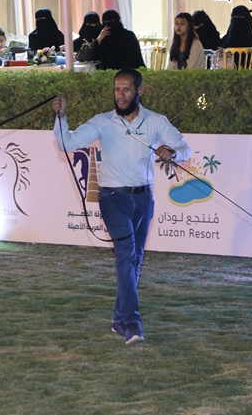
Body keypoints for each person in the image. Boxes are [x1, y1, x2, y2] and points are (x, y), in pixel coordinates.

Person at [51, 69, 191, 345]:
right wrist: (61, 117)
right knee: (126, 254)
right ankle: (132, 321)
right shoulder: (103, 122)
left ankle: (118, 319)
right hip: (112, 197)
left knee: (134, 260)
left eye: (127, 89)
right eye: (117, 89)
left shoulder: (155, 121)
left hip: (144, 198)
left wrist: (172, 152)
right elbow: (67, 143)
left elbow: (185, 148)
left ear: (140, 91)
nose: (121, 95)